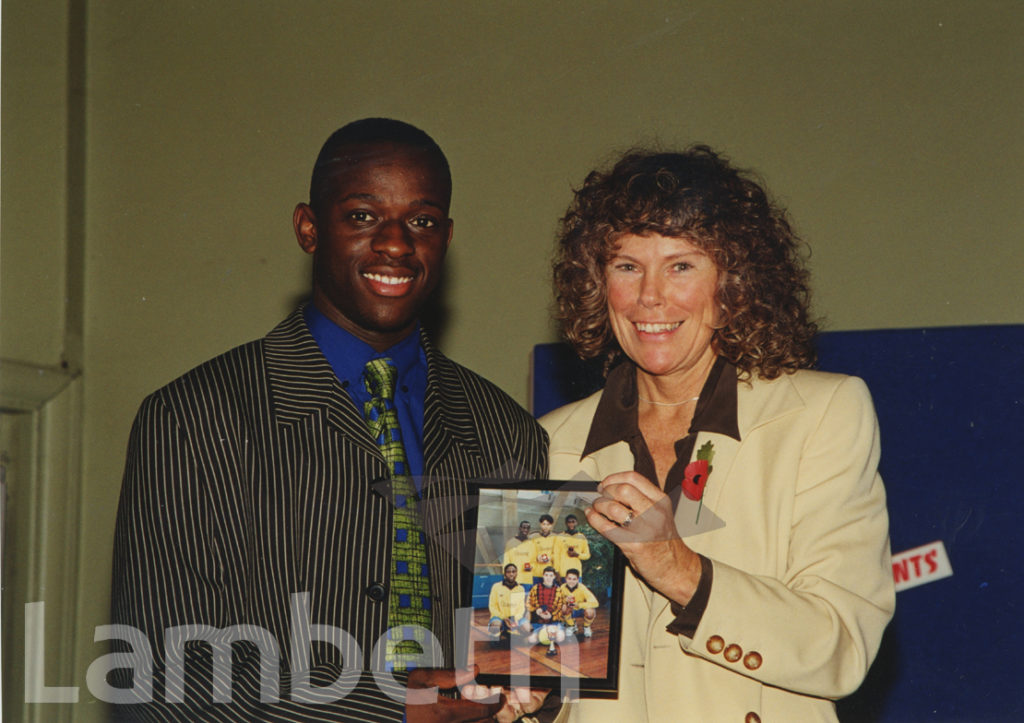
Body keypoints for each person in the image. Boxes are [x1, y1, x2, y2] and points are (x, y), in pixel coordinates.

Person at [109, 118, 548, 722]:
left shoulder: (506, 429)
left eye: (421, 221)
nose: (396, 243)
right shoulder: (195, 416)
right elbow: (159, 676)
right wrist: (389, 712)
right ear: (309, 229)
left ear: (446, 237)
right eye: (364, 215)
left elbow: (531, 657)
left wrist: (537, 693)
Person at [541, 146, 894, 721]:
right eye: (627, 266)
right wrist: (526, 697)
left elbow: (843, 646)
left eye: (681, 266)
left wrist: (680, 569)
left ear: (734, 285)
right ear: (597, 283)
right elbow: (550, 664)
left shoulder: (821, 413)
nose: (650, 295)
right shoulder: (551, 441)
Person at [525, 567, 567, 657]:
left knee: (560, 638)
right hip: (539, 622)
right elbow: (528, 603)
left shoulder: (559, 591)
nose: (548, 577)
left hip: (553, 622)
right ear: (543, 576)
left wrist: (551, 616)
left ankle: (548, 636)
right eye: (546, 575)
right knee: (531, 639)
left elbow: (560, 608)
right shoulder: (535, 588)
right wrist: (536, 610)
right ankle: (543, 633)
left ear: (554, 577)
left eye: (551, 575)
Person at [487, 564, 531, 644]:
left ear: (516, 574)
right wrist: (504, 618)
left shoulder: (520, 588)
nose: (511, 574)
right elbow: (492, 606)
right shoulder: (496, 587)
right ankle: (496, 634)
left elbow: (521, 608)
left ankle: (510, 633)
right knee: (495, 626)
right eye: (508, 572)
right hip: (501, 618)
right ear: (504, 574)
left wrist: (514, 619)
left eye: (513, 572)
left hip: (514, 619)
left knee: (528, 629)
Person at [557, 569, 598, 639]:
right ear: (566, 578)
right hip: (570, 610)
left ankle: (586, 627)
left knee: (590, 611)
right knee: (563, 607)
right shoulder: (562, 588)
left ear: (577, 580)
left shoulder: (582, 588)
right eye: (569, 578)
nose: (571, 581)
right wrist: (565, 600)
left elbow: (595, 603)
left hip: (581, 610)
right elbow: (557, 601)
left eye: (574, 579)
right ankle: (571, 625)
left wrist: (579, 605)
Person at [554, 514, 590, 579]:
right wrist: (556, 571)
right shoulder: (559, 536)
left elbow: (587, 555)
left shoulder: (582, 537)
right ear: (566, 523)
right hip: (563, 573)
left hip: (576, 574)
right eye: (569, 522)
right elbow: (556, 555)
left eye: (573, 522)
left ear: (576, 523)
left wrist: (577, 554)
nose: (571, 524)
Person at [503, 521, 536, 588]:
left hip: (527, 579)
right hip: (514, 579)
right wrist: (506, 577)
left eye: (528, 528)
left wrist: (532, 567)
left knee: (526, 598)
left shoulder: (532, 543)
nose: (525, 530)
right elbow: (506, 561)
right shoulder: (510, 543)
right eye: (524, 528)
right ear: (520, 528)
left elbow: (534, 560)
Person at [528, 514, 560, 584]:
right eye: (544, 524)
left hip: (549, 573)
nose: (545, 527)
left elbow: (557, 554)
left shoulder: (555, 538)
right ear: (540, 524)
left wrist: (550, 558)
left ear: (551, 525)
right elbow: (530, 553)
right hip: (536, 572)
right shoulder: (533, 537)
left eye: (548, 524)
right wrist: (536, 558)